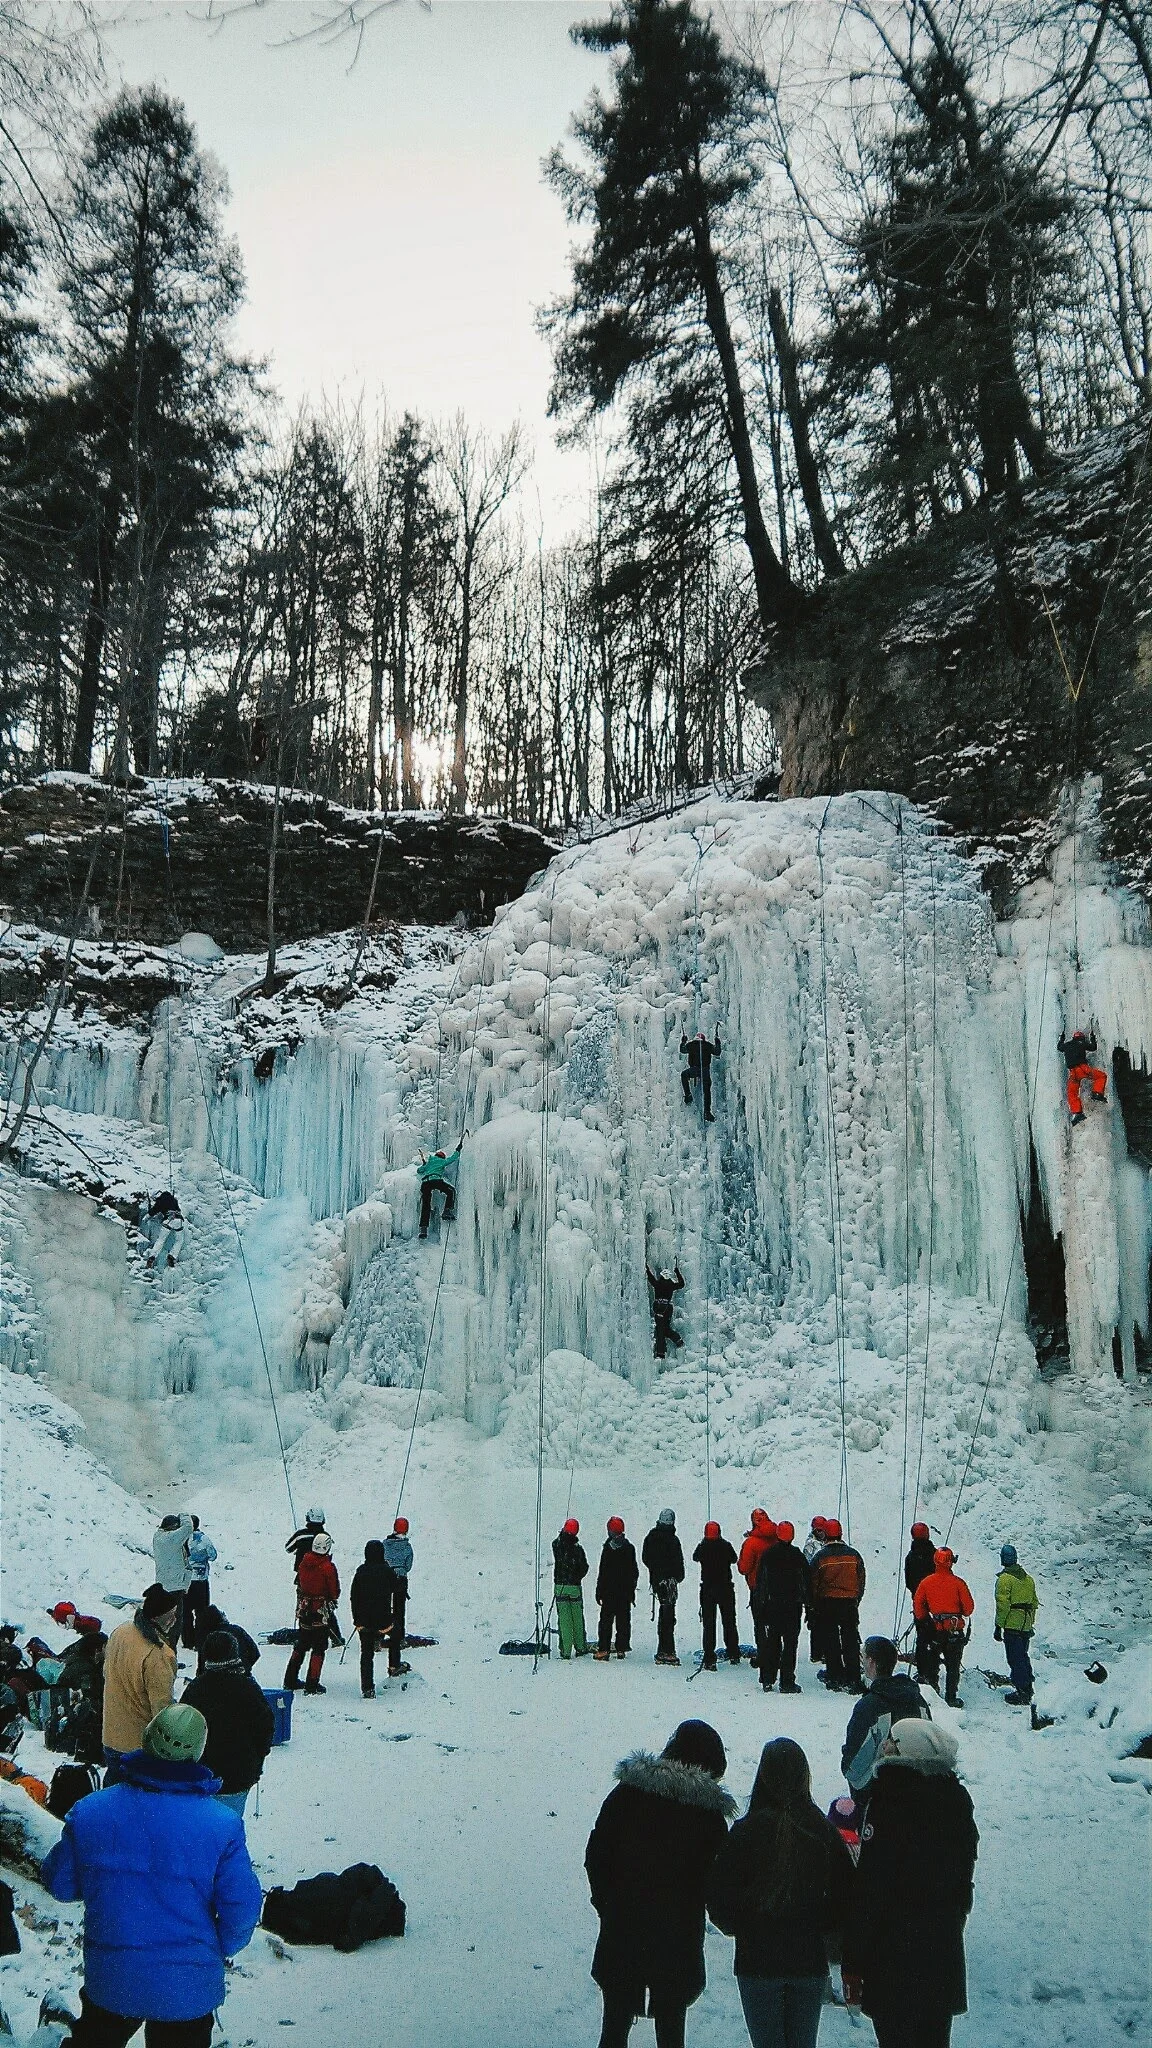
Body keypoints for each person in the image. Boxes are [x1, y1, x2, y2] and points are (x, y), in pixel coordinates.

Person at [42, 1703, 262, 2048]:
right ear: (199, 1752)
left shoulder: (91, 1811)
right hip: (187, 1986)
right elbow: (243, 1909)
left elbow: (60, 1883)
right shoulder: (221, 1824)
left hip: (112, 1979)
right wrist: (216, 1949)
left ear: (146, 1739)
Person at [585, 1719, 736, 2048]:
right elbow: (718, 1879)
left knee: (612, 2030)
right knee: (671, 2034)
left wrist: (606, 1905)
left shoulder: (627, 1794)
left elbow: (597, 1853)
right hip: (677, 1936)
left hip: (623, 1926)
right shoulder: (708, 1817)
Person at [708, 1737, 855, 2048]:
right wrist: (820, 1925)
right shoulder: (823, 1832)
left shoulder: (745, 1833)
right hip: (807, 1960)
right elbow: (847, 1896)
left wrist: (746, 1926)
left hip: (757, 1961)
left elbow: (720, 1899)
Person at [841, 1720, 978, 2048]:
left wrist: (854, 1960)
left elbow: (871, 1889)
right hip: (941, 1953)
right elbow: (963, 1882)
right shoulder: (956, 1802)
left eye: (893, 1741)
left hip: (892, 1961)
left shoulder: (888, 1802)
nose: (884, 1746)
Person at [181, 1633, 274, 1817]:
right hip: (238, 1776)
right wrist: (256, 1761)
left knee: (201, 1829)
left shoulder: (195, 1689)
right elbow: (265, 1729)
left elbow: (181, 1726)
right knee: (229, 1829)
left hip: (201, 1776)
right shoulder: (248, 1689)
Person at [842, 1638, 931, 1796]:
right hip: (918, 1787)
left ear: (871, 1662)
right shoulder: (918, 1700)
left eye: (863, 1657)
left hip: (878, 1795)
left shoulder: (869, 1706)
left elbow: (855, 1764)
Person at [102, 1588, 178, 1764]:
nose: (174, 1620)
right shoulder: (159, 1655)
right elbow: (162, 1710)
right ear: (157, 1617)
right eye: (171, 1614)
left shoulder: (120, 1633)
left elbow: (106, 1672)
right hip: (138, 1746)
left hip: (111, 1735)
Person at [807, 1521, 865, 1692]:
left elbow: (813, 1582)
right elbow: (861, 1579)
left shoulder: (820, 1556)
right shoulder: (854, 1555)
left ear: (826, 1535)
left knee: (831, 1639)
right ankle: (853, 1676)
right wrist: (856, 1599)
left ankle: (835, 1675)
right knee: (850, 1639)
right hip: (849, 1603)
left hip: (828, 1603)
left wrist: (814, 1604)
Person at [750, 1521, 807, 1693]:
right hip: (792, 1607)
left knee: (772, 1644)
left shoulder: (768, 1555)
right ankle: (787, 1681)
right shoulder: (797, 1555)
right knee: (790, 1645)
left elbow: (761, 1582)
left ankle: (768, 1679)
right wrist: (807, 1602)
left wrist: (760, 1606)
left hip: (772, 1606)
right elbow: (805, 1581)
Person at [912, 1551, 974, 1709]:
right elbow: (968, 1609)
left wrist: (926, 1620)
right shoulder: (959, 1583)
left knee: (932, 1662)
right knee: (953, 1665)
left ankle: (933, 1690)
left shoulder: (926, 1582)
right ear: (951, 1562)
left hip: (935, 1630)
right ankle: (951, 1697)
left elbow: (918, 1607)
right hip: (954, 1630)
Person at [284, 1534, 339, 1695]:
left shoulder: (304, 1562)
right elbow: (334, 1591)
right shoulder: (327, 1567)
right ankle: (312, 1683)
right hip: (319, 1611)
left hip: (304, 1608)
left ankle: (290, 1678)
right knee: (319, 1646)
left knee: (302, 1644)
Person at [350, 1541, 398, 1699]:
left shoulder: (360, 1572)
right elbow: (396, 1590)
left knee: (366, 1653)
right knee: (396, 1636)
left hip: (364, 1621)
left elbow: (354, 1597)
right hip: (383, 1620)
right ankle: (394, 1666)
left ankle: (367, 1688)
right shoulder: (387, 1571)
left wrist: (357, 1620)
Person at [692, 1522, 741, 1671]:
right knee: (729, 1621)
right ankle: (733, 1653)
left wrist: (703, 1543)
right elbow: (734, 1558)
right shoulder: (725, 1546)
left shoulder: (703, 1547)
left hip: (708, 1589)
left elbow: (695, 1557)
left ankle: (709, 1658)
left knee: (709, 1624)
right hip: (725, 1588)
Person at [994, 1545, 1039, 1706]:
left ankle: (1022, 1692)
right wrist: (1030, 1623)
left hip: (1012, 1625)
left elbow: (1003, 1605)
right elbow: (1034, 1602)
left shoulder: (1004, 1580)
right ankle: (1028, 1686)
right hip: (1025, 1625)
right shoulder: (1028, 1579)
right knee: (1023, 1657)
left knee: (1015, 1658)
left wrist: (999, 1625)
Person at [642, 1510, 685, 1667]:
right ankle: (667, 1650)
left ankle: (664, 1649)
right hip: (670, 1582)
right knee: (668, 1615)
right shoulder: (673, 1540)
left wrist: (655, 1572)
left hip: (658, 1581)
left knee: (665, 1613)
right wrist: (677, 1577)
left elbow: (646, 1557)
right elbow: (678, 1561)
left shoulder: (652, 1537)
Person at [595, 1518, 639, 1660]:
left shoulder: (608, 1548)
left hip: (609, 1592)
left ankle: (604, 1649)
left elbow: (603, 1572)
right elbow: (634, 1571)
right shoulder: (629, 1548)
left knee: (606, 1621)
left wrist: (599, 1590)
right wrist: (632, 1589)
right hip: (625, 1592)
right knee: (624, 1620)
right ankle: (621, 1648)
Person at [151, 1516, 193, 1644]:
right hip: (174, 1587)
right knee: (174, 1624)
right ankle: (170, 1655)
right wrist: (184, 1515)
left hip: (163, 1585)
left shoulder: (158, 1537)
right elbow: (188, 1527)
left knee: (164, 1622)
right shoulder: (171, 1539)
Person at [903, 1524, 937, 1684]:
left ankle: (923, 1671)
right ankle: (934, 1671)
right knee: (938, 1636)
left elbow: (909, 1582)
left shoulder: (910, 1557)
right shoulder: (936, 1556)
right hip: (937, 1602)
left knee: (922, 1637)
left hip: (919, 1602)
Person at [553, 1519, 590, 1660]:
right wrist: (577, 1577)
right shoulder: (578, 1549)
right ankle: (580, 1647)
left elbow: (556, 1542)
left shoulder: (557, 1545)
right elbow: (584, 1567)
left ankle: (566, 1650)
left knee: (564, 1619)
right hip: (574, 1586)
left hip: (560, 1586)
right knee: (577, 1618)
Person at [382, 1518, 414, 1677]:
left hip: (386, 1579)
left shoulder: (385, 1544)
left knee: (385, 1607)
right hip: (400, 1579)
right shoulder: (407, 1547)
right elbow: (408, 1565)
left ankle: (381, 1634)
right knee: (399, 1609)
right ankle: (399, 1637)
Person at [1058, 1027, 1108, 1125]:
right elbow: (1093, 1047)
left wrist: (1061, 1038)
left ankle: (1077, 1112)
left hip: (1073, 1073)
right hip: (1083, 1069)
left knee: (1071, 1093)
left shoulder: (1067, 1045)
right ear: (1081, 1038)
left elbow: (1059, 1047)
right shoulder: (1081, 1043)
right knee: (1101, 1076)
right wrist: (1093, 1037)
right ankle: (1097, 1093)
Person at [182, 1520, 217, 1651]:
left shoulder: (183, 1539)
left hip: (186, 1580)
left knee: (186, 1612)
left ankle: (187, 1640)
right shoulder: (204, 1539)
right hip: (201, 1580)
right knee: (202, 1612)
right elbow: (213, 1556)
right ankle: (200, 1640)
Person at [195, 1606, 259, 1676]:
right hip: (242, 1676)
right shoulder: (237, 1630)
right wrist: (245, 1667)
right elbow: (255, 1653)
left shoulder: (206, 1639)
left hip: (214, 1680)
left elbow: (201, 1666)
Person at [417, 1146, 461, 1236]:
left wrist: (424, 1165)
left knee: (426, 1205)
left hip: (425, 1183)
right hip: (436, 1180)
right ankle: (447, 1211)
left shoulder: (429, 1162)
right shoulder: (441, 1161)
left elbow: (419, 1171)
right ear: (442, 1157)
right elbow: (452, 1159)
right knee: (451, 1191)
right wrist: (458, 1150)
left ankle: (423, 1230)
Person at [680, 1031, 721, 1122]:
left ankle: (688, 1095)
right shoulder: (708, 1045)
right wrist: (717, 1041)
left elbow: (682, 1050)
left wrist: (683, 1041)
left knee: (684, 1075)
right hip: (705, 1071)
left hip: (694, 1069)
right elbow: (717, 1052)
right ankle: (707, 1112)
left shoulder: (691, 1045)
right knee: (707, 1091)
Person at [646, 1266, 685, 1360]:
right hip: (668, 1308)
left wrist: (647, 1269)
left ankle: (661, 1353)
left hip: (659, 1308)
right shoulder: (671, 1285)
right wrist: (677, 1272)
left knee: (660, 1331)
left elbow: (651, 1278)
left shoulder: (658, 1284)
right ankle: (678, 1340)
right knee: (666, 1328)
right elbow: (681, 1284)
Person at [142, 1190, 184, 1271]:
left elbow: (153, 1211)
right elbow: (178, 1210)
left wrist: (146, 1217)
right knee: (179, 1240)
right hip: (178, 1221)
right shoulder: (174, 1200)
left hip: (168, 1220)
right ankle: (172, 1256)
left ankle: (152, 1257)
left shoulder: (160, 1201)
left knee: (161, 1240)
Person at [285, 1508, 327, 1578]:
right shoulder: (326, 1536)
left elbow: (288, 1548)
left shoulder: (300, 1535)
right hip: (321, 1572)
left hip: (302, 1572)